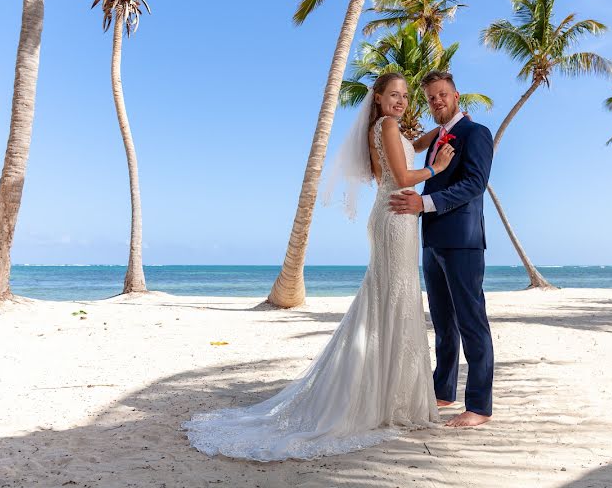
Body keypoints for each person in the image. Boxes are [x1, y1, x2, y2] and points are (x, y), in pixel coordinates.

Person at [182, 72, 455, 460]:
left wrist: (436, 133)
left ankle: (386, 394)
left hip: (389, 215)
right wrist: (437, 168)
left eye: (406, 96)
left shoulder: (382, 129)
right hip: (397, 217)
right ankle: (388, 399)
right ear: (377, 98)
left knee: (386, 302)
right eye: (393, 95)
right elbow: (403, 175)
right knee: (394, 300)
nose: (401, 101)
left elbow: (406, 149)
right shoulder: (389, 125)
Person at [390, 70, 495, 428]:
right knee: (443, 325)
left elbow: (475, 184)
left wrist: (425, 204)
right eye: (432, 97)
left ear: (456, 95)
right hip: (432, 240)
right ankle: (444, 390)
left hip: (463, 242)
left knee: (471, 322)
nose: (437, 101)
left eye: (442, 94)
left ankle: (479, 407)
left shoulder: (476, 133)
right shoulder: (436, 140)